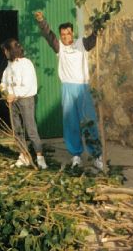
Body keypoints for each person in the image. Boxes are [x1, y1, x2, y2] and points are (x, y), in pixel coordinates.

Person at [35, 11, 103, 170]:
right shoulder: (59, 48)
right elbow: (48, 35)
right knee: (70, 122)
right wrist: (41, 21)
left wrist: (99, 24)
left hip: (82, 87)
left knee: (89, 121)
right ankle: (76, 155)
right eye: (63, 34)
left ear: (73, 33)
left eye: (68, 33)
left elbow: (94, 38)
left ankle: (96, 155)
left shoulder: (82, 44)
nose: (66, 37)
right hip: (67, 88)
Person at [0, 38, 47, 170]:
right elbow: (4, 81)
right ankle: (24, 155)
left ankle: (40, 157)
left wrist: (14, 94)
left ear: (10, 50)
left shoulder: (26, 63)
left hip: (25, 99)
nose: (4, 53)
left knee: (31, 129)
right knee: (17, 129)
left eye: (5, 50)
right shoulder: (8, 66)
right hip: (12, 101)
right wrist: (4, 91)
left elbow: (28, 85)